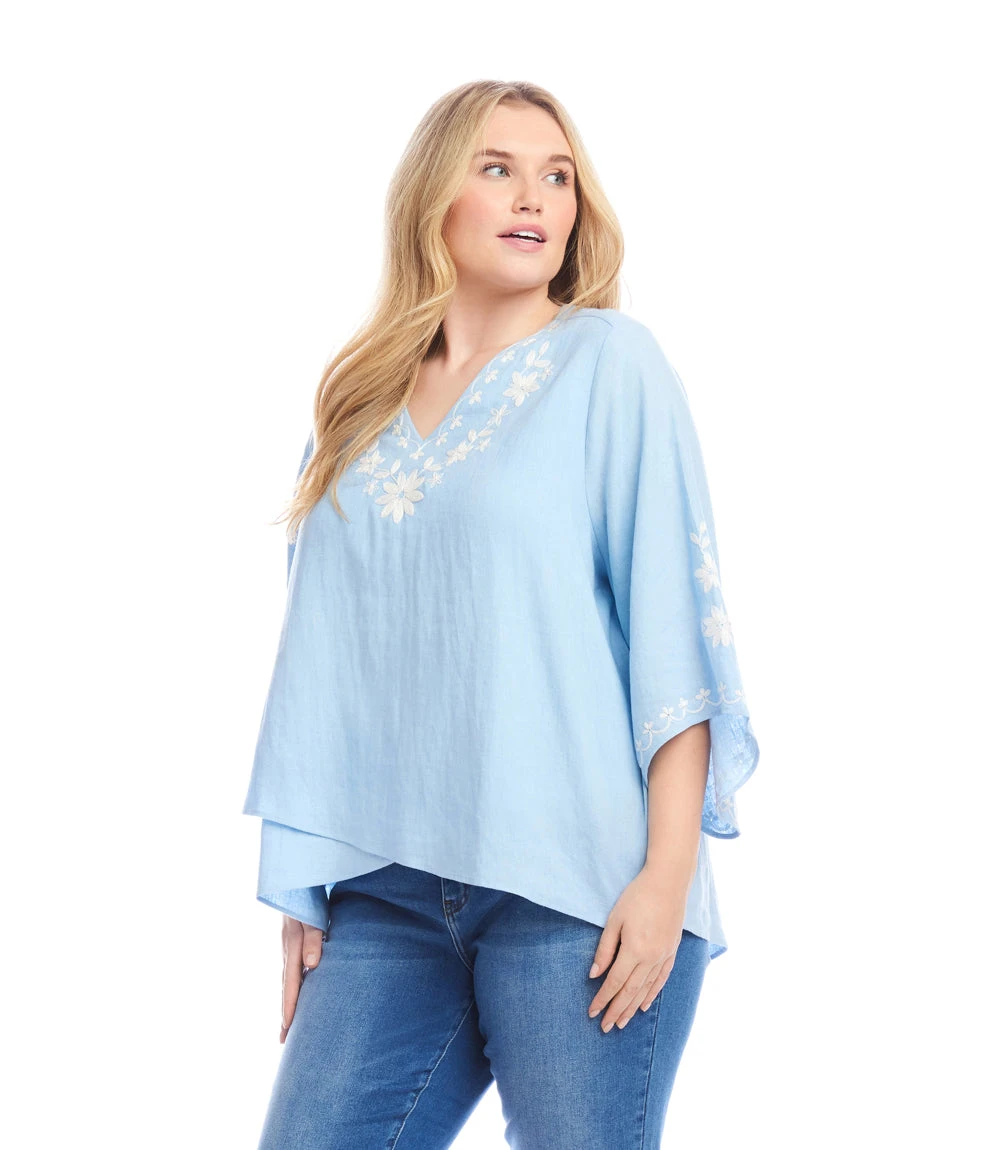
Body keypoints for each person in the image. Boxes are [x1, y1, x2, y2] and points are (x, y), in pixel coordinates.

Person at [242, 79, 760, 1149]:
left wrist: (665, 879)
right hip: (385, 892)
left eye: (557, 176)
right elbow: (326, 658)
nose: (535, 197)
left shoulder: (610, 365)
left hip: (576, 890)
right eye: (498, 168)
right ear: (434, 195)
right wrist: (305, 877)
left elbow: (674, 635)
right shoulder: (355, 407)